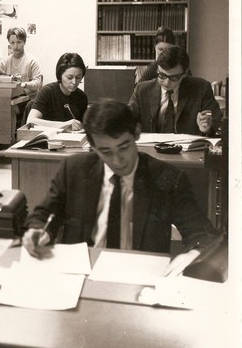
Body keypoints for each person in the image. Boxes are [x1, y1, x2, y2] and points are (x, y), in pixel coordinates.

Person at [22, 100, 220, 275]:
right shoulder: (74, 169)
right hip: (80, 274)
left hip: (140, 276)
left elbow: (202, 234)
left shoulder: (167, 178)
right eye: (105, 151)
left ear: (136, 134)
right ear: (92, 146)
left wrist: (194, 255)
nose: (117, 160)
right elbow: (45, 213)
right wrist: (38, 230)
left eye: (124, 147)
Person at [128, 45, 222, 136]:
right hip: (150, 148)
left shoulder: (201, 88)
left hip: (188, 149)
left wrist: (208, 128)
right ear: (157, 69)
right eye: (162, 75)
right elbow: (125, 118)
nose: (166, 82)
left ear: (185, 73)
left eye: (174, 77)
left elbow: (217, 122)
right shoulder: (142, 90)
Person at [26, 53, 87, 131]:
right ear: (60, 75)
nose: (74, 82)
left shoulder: (82, 96)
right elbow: (31, 120)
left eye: (78, 77)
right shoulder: (47, 92)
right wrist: (64, 125)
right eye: (69, 77)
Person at [0, 26, 42, 99]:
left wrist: (24, 84)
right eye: (12, 43)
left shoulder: (32, 61)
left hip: (29, 100)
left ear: (24, 42)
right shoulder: (5, 62)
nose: (15, 46)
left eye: (19, 42)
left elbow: (38, 83)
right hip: (10, 99)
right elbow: (0, 82)